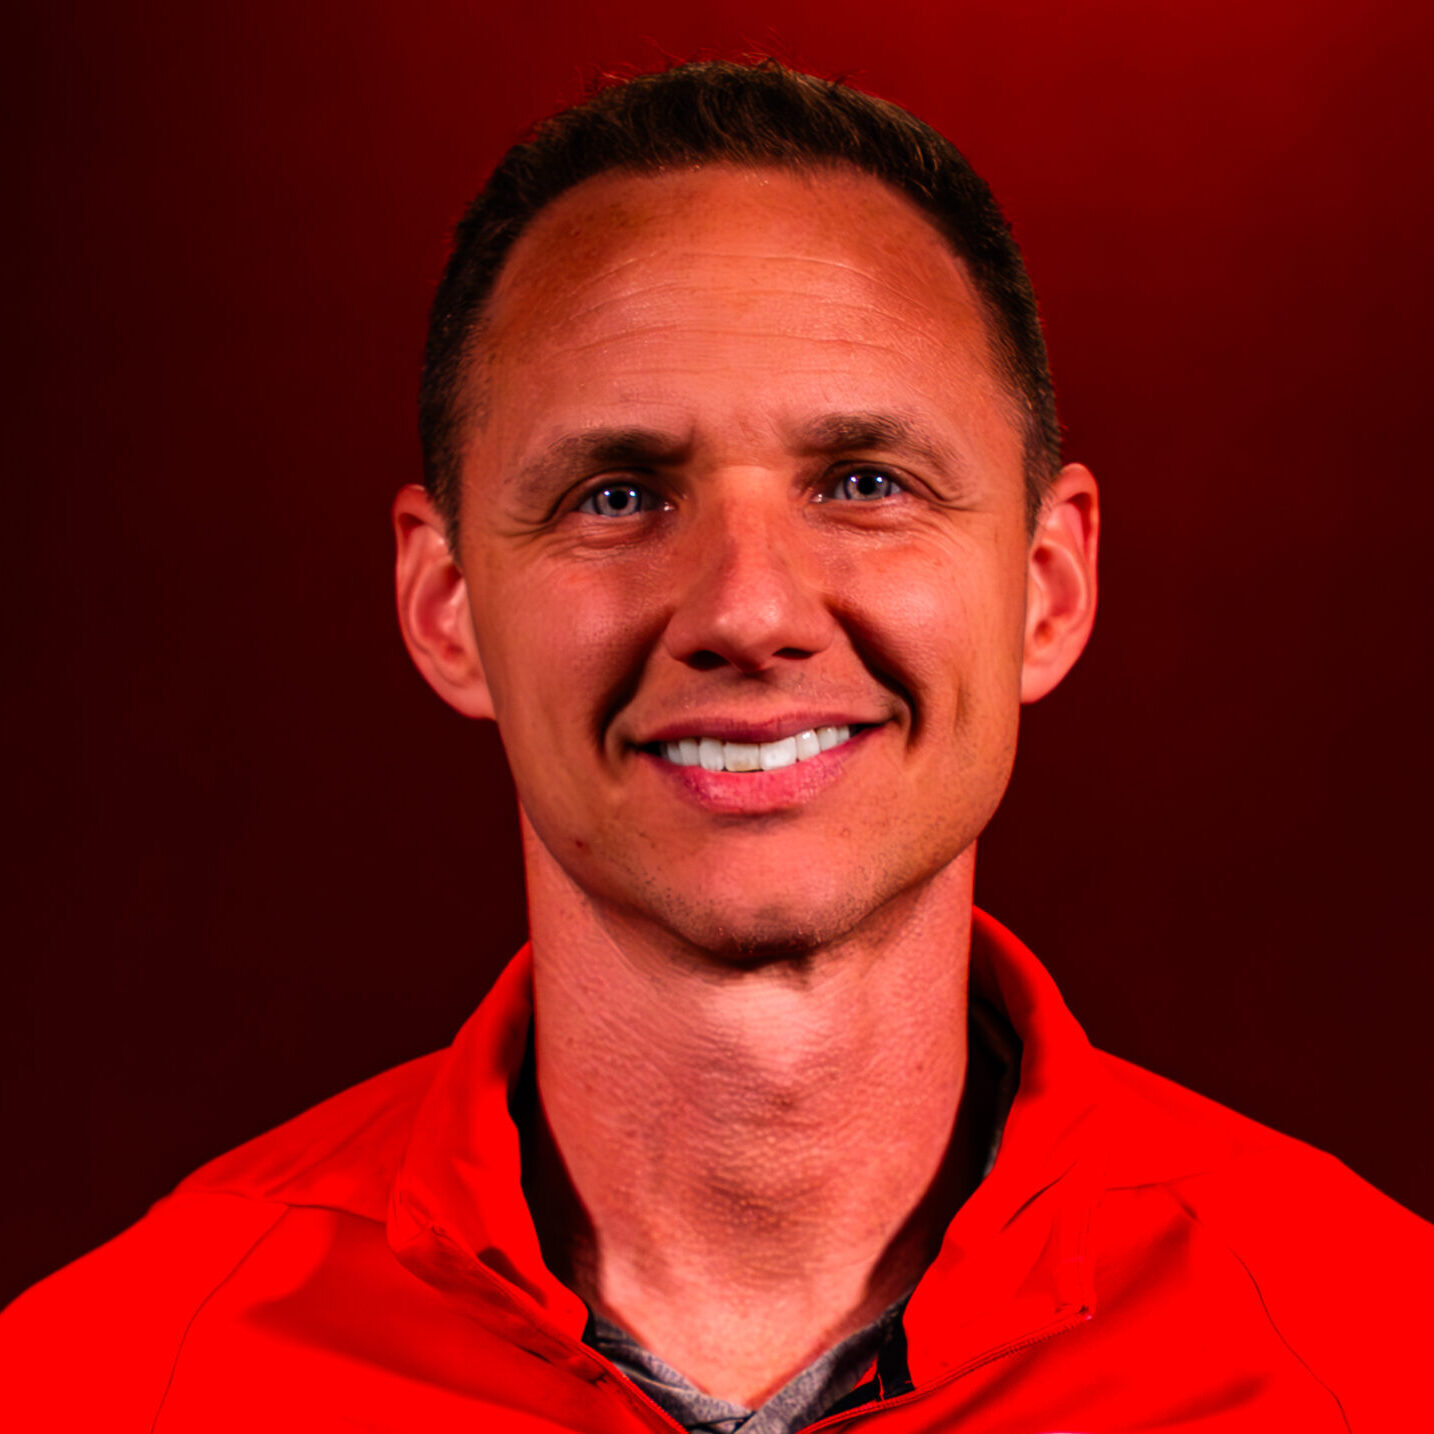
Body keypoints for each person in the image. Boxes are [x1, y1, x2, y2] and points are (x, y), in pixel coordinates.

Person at [3, 58, 1428, 1433]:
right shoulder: (98, 1381)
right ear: (444, 606)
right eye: (617, 495)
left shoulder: (1380, 1353)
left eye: (864, 483)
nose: (747, 610)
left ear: (1048, 586)